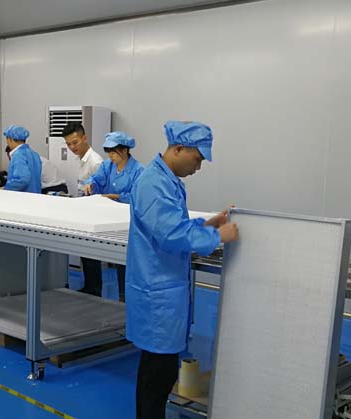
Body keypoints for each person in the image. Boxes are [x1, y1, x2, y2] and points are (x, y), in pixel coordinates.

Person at [126, 120, 239, 419]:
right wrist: (217, 237)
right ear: (178, 149)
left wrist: (206, 225)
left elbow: (172, 224)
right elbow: (170, 234)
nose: (198, 167)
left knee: (158, 372)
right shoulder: (153, 183)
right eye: (197, 159)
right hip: (157, 292)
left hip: (163, 287)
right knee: (157, 376)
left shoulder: (166, 181)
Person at [83, 131, 144, 301]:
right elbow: (96, 179)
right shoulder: (107, 166)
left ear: (125, 150)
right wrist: (90, 185)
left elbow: (138, 197)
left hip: (126, 222)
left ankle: (125, 298)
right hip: (105, 218)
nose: (110, 156)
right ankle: (93, 289)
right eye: (108, 152)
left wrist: (116, 197)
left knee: (124, 261)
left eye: (113, 152)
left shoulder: (138, 170)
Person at [62, 122, 104, 297]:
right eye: (68, 144)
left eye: (75, 142)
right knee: (85, 252)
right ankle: (89, 286)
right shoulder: (81, 159)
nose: (72, 147)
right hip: (84, 210)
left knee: (91, 254)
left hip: (94, 212)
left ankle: (94, 289)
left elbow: (100, 190)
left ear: (84, 138)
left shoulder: (95, 162)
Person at [1, 125, 42, 193]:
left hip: (22, 197)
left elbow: (22, 179)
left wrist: (6, 188)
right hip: (35, 195)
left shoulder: (18, 155)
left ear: (10, 139)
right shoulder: (34, 154)